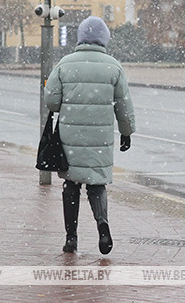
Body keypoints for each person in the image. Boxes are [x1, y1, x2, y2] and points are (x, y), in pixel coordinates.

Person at [44, 16, 136, 254]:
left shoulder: (65, 64)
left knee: (71, 185)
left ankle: (71, 238)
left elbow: (52, 102)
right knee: (97, 184)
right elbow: (123, 105)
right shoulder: (113, 66)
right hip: (100, 138)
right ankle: (102, 224)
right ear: (104, 39)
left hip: (70, 136)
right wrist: (126, 132)